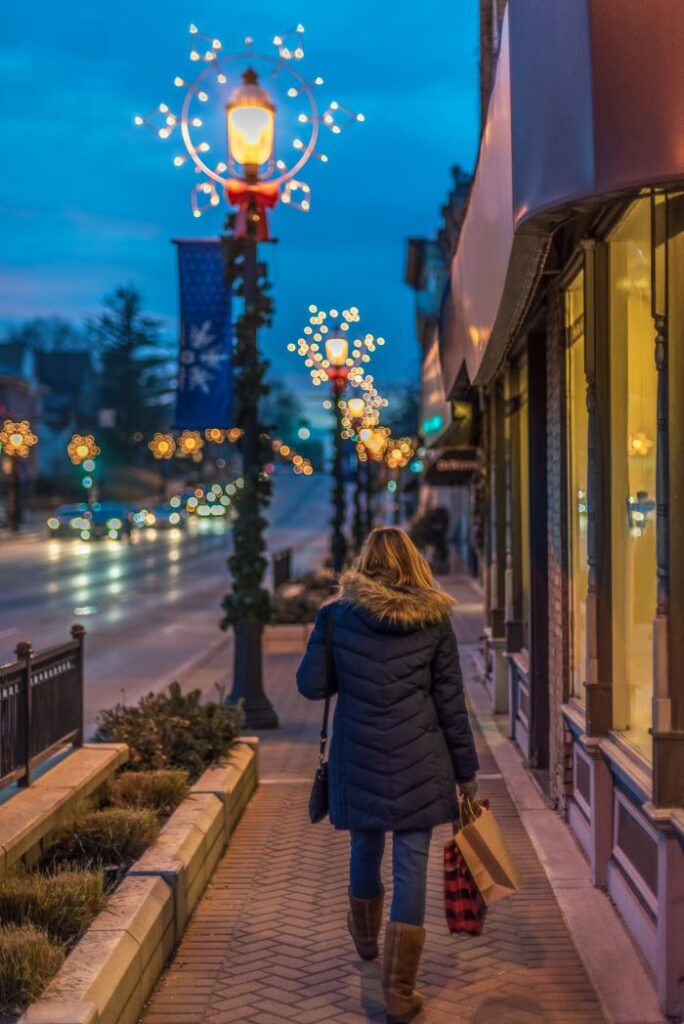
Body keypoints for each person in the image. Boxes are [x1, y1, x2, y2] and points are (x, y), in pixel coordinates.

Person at [297, 526, 478, 1024]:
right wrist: (468, 774)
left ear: (364, 563)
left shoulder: (337, 616)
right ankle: (399, 992)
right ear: (413, 563)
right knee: (410, 866)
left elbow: (312, 687)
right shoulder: (435, 619)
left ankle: (365, 936)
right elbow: (451, 704)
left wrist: (323, 632)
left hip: (358, 755)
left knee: (365, 846)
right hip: (422, 755)